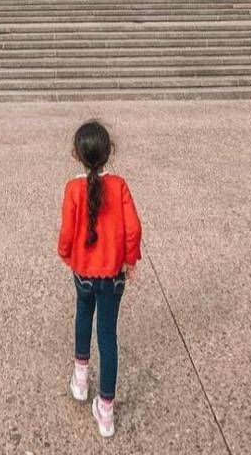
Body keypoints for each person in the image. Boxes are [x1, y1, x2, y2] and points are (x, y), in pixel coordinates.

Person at [58, 120, 142, 440]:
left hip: (83, 272)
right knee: (108, 336)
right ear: (110, 152)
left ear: (76, 155)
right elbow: (133, 228)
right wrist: (129, 259)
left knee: (83, 316)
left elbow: (67, 233)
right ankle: (105, 409)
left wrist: (68, 255)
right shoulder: (119, 185)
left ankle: (81, 379)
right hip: (113, 275)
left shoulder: (72, 189)